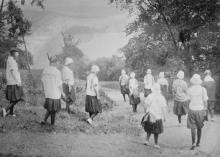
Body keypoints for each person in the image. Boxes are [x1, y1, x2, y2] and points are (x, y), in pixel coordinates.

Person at [41, 56, 65, 125]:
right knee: (53, 109)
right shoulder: (57, 72)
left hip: (48, 92)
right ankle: (52, 124)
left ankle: (44, 120)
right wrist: (62, 93)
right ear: (55, 62)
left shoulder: (45, 70)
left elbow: (42, 81)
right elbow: (59, 84)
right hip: (55, 93)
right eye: (57, 62)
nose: (58, 64)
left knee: (50, 108)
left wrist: (44, 90)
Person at [142, 83, 167, 149]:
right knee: (156, 131)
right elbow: (164, 108)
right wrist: (164, 117)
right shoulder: (161, 97)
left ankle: (147, 140)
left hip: (150, 115)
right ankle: (155, 143)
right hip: (157, 117)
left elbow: (145, 104)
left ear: (152, 89)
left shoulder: (150, 96)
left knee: (149, 129)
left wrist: (145, 112)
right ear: (159, 90)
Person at [187, 74, 208, 150]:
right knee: (199, 127)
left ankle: (193, 143)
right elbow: (205, 101)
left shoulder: (189, 89)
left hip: (192, 109)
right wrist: (205, 110)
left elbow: (188, 100)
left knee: (193, 127)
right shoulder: (203, 89)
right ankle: (198, 142)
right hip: (200, 110)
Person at [3, 49, 25, 117]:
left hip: (12, 82)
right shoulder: (11, 61)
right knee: (18, 98)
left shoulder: (11, 60)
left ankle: (11, 113)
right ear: (14, 53)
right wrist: (18, 81)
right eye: (17, 53)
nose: (18, 54)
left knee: (13, 99)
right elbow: (13, 72)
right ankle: (5, 110)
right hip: (14, 82)